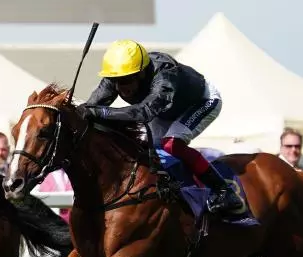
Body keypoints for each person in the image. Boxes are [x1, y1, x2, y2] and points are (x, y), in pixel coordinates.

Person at [81, 40, 242, 215]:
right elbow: (90, 108)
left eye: (126, 80)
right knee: (147, 151)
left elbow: (144, 113)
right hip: (165, 110)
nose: (120, 87)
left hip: (201, 101)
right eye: (115, 81)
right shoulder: (118, 75)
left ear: (141, 73)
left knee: (172, 144)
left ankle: (224, 191)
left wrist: (100, 112)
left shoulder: (164, 72)